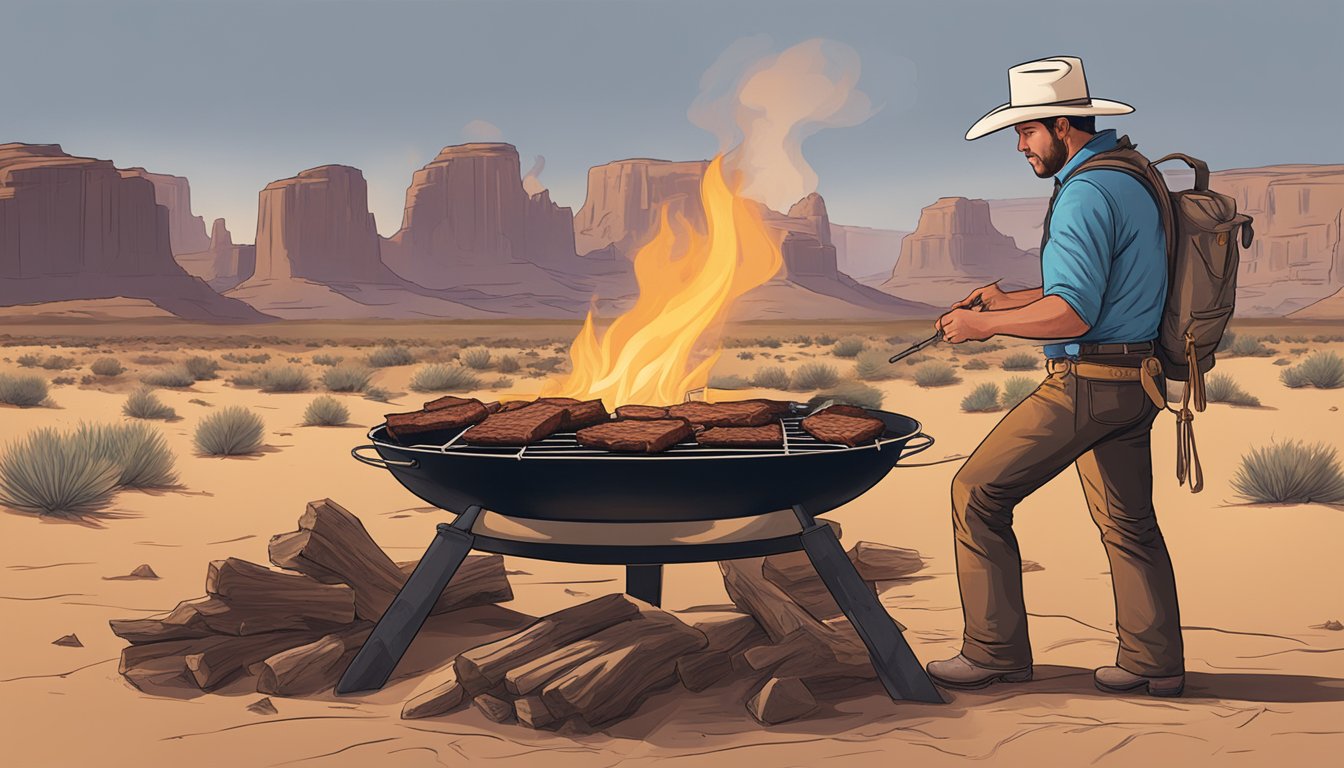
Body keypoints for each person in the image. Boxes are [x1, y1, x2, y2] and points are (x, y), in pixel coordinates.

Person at [924, 56, 1185, 697]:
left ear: (1061, 123)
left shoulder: (1085, 192)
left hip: (1088, 384)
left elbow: (1074, 310)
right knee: (1129, 522)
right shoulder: (1131, 176)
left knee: (976, 494)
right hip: (1137, 381)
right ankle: (1154, 663)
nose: (1019, 146)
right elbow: (1095, 287)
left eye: (1026, 132)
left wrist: (984, 327)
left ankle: (994, 652)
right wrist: (1005, 300)